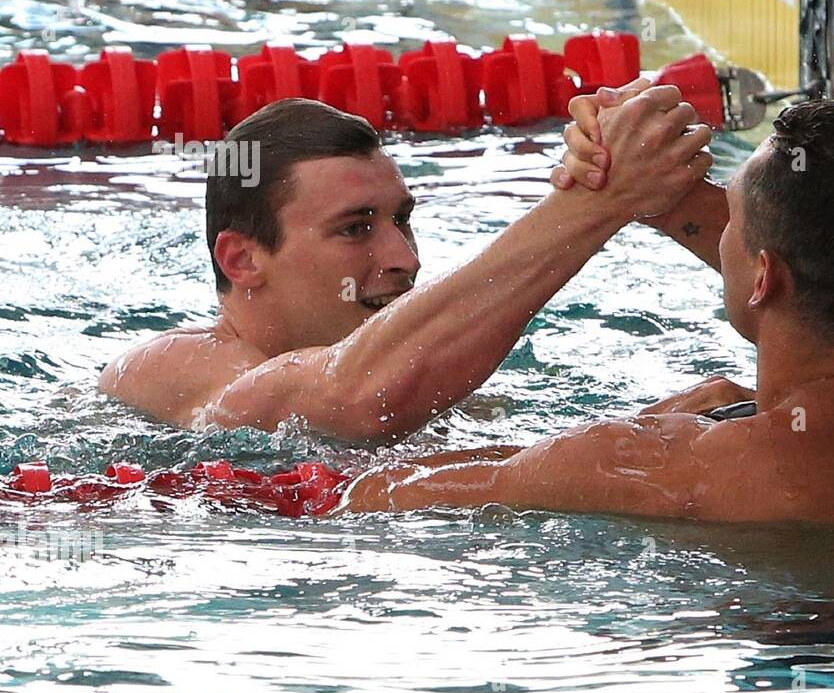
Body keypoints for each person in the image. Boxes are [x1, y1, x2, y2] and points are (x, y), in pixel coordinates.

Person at [340, 98, 834, 524]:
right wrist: (662, 198)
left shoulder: (680, 465)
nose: (717, 228)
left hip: (796, 638)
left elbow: (378, 493)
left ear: (762, 277)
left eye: (728, 218)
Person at [98, 92, 720, 442]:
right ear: (242, 259)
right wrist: (595, 203)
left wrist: (649, 430)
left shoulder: (435, 388)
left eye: (402, 219)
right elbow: (349, 400)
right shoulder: (167, 371)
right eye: (355, 228)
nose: (406, 259)